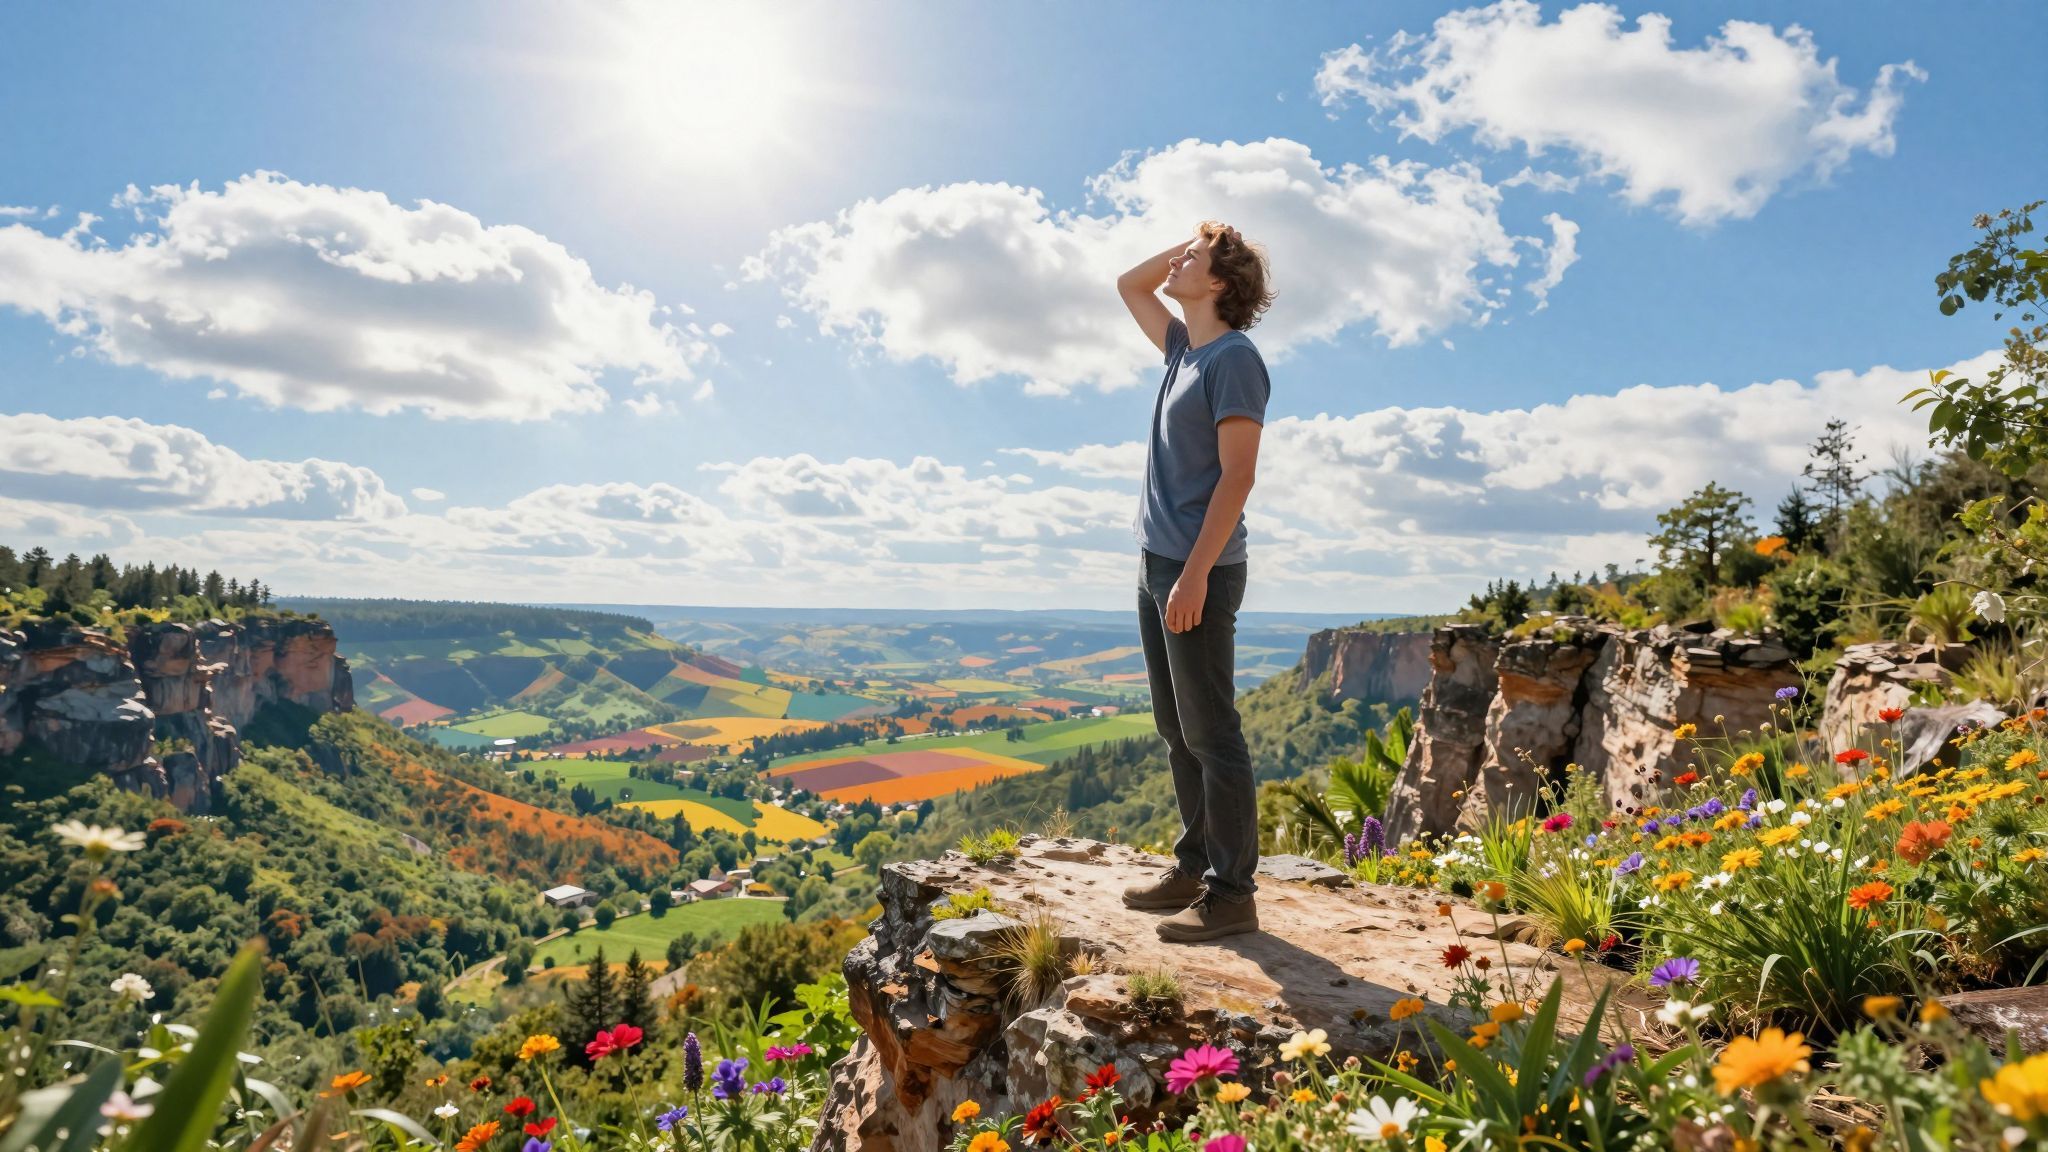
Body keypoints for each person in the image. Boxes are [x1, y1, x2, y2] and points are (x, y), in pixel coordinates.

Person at [1114, 221, 1274, 943]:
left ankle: (1232, 893)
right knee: (1177, 728)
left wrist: (1197, 576)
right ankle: (1194, 864)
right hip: (1157, 562)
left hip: (1196, 566)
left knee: (1213, 732)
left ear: (1219, 285)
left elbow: (1238, 477)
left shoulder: (1234, 360)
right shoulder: (1184, 349)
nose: (1175, 263)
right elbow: (1129, 284)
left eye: (1193, 261)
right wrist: (1193, 237)